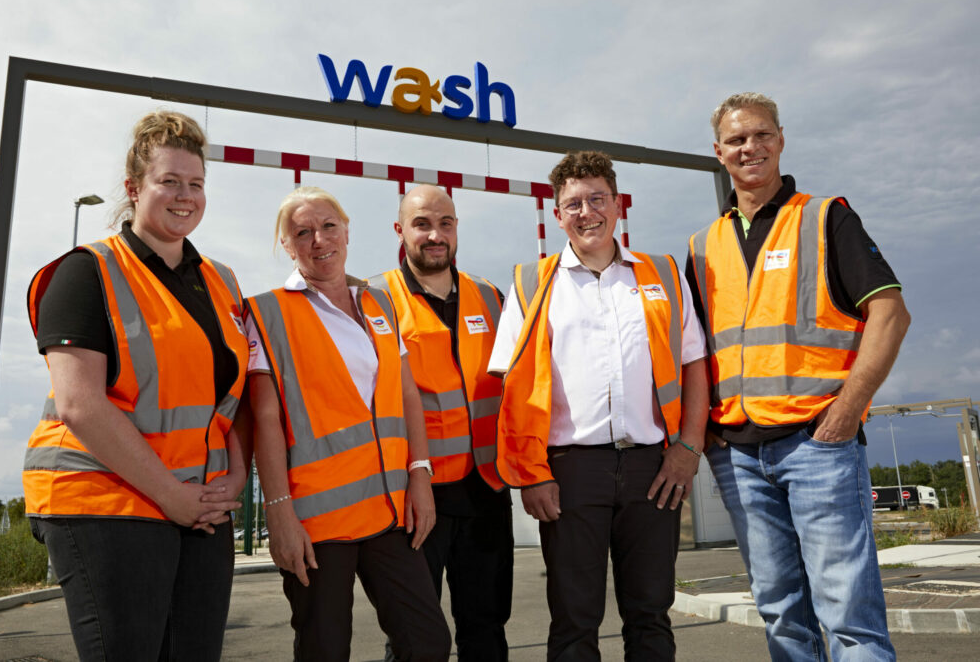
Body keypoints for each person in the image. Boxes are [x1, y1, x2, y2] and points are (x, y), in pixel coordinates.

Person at [687, 92, 911, 661]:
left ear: (781, 140)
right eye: (737, 140)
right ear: (719, 153)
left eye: (761, 135)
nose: (750, 147)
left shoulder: (825, 216)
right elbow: (691, 352)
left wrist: (847, 409)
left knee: (848, 615)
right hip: (739, 455)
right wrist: (706, 432)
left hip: (817, 445)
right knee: (781, 611)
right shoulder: (701, 247)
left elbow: (890, 314)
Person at [23, 110, 251, 661]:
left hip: (197, 506)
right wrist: (172, 496)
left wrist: (236, 474)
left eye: (196, 184)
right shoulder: (86, 271)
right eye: (169, 181)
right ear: (133, 188)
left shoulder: (222, 282)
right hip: (107, 499)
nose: (185, 195)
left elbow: (230, 398)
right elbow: (80, 404)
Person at [488, 151, 709, 661]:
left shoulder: (664, 276)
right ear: (556, 213)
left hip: (654, 467)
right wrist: (532, 475)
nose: (587, 212)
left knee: (651, 612)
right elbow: (515, 393)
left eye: (596, 199)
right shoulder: (529, 284)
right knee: (573, 618)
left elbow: (694, 364)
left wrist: (688, 448)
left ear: (617, 203)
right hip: (570, 471)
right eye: (573, 204)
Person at [245, 186, 452, 662]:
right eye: (302, 232)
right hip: (318, 525)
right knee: (325, 649)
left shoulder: (378, 303)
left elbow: (405, 394)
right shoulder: (267, 312)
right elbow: (265, 419)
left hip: (390, 513)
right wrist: (279, 514)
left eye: (328, 226)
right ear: (287, 246)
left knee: (427, 643)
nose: (319, 240)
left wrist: (420, 475)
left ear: (347, 231)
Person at [369, 184, 513, 661]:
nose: (435, 235)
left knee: (486, 629)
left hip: (485, 491)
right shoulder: (374, 300)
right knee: (415, 637)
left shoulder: (491, 297)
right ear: (400, 230)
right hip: (416, 497)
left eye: (445, 224)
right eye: (422, 224)